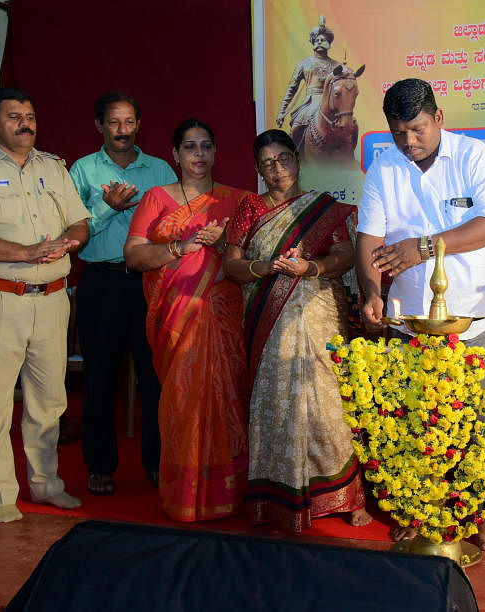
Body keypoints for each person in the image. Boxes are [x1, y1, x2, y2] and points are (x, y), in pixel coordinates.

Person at [355, 78, 485, 549]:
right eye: (399, 131)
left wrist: (424, 248)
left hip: (474, 316)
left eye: (418, 129)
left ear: (438, 118)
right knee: (414, 419)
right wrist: (370, 292)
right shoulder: (384, 168)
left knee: (476, 418)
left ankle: (472, 514)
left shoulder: (473, 157)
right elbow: (368, 240)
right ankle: (415, 510)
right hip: (409, 320)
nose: (409, 141)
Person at [0, 88, 90, 523]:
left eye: (29, 115)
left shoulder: (53, 167)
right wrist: (23, 253)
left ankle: (46, 486)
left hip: (52, 298)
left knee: (49, 401)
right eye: (14, 117)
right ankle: (0, 494)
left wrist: (72, 241)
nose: (25, 123)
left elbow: (79, 221)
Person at [221, 129, 370, 533]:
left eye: (283, 158)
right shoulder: (249, 208)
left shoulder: (320, 207)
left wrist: (312, 268)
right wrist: (263, 268)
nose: (277, 169)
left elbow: (342, 255)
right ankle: (276, 495)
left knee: (326, 401)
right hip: (267, 320)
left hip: (317, 310)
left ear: (297, 160)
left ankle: (346, 494)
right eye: (267, 163)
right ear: (257, 170)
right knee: (275, 401)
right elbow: (230, 266)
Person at [124, 118, 251, 522]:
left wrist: (226, 243)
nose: (199, 155)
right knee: (183, 403)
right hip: (176, 321)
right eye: (191, 147)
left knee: (228, 398)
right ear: (175, 155)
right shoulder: (156, 199)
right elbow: (134, 256)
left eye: (206, 146)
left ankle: (231, 493)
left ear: (215, 152)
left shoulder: (237, 200)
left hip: (225, 318)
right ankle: (186, 494)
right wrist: (183, 245)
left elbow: (253, 256)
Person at [69, 91, 175, 495]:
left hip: (149, 283)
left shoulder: (160, 169)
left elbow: (171, 227)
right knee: (100, 378)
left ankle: (157, 463)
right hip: (102, 280)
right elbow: (73, 233)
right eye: (114, 122)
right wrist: (109, 207)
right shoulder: (82, 170)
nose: (122, 131)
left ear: (138, 125)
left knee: (155, 377)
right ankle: (100, 467)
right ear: (99, 126)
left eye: (129, 122)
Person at [274, 16, 341, 151]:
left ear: (329, 43)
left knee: (351, 124)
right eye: (317, 40)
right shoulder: (304, 64)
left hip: (332, 103)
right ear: (313, 42)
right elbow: (291, 89)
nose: (320, 42)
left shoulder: (337, 65)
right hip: (311, 102)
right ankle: (296, 154)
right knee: (296, 127)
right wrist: (282, 111)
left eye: (324, 40)